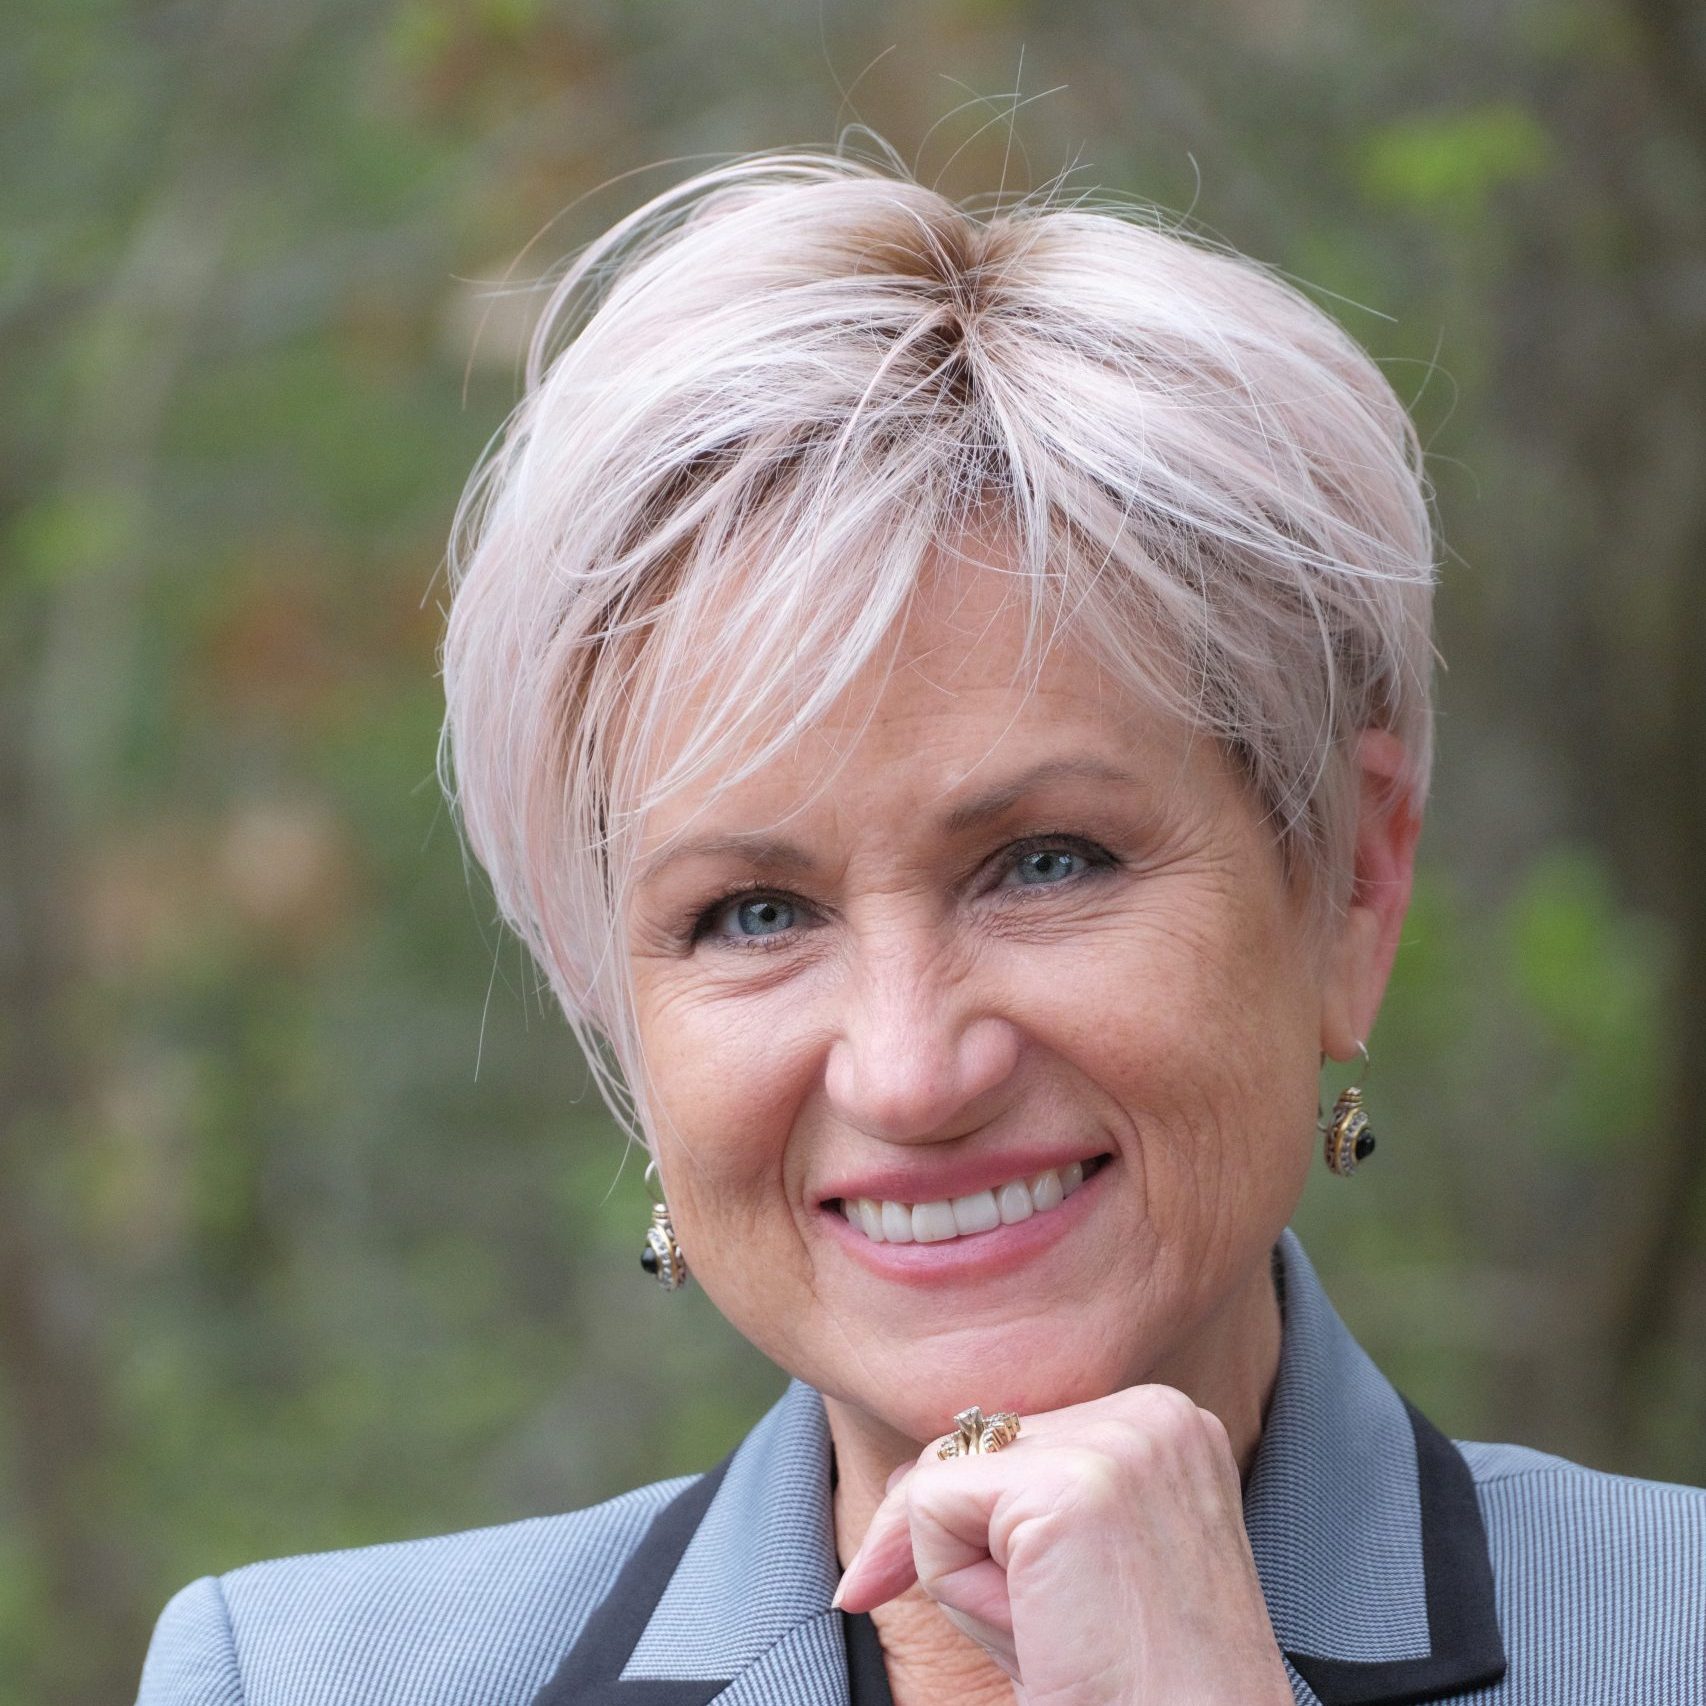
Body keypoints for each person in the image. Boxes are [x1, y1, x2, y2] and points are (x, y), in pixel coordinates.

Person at [135, 151, 1705, 1706]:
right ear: (600, 985)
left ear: (1351, 883)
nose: (907, 1069)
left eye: (1044, 862)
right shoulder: (288, 1677)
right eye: (751, 911)